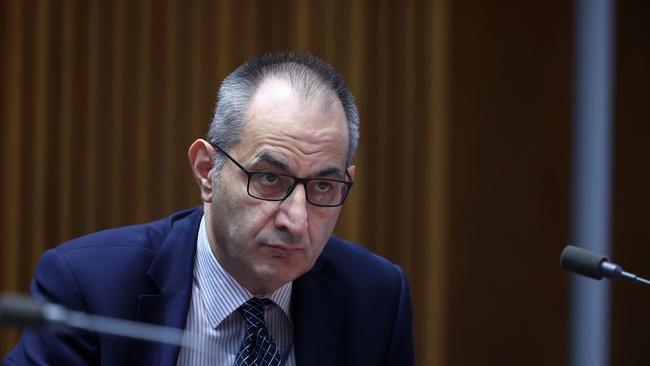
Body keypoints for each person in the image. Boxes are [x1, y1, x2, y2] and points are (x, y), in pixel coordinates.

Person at [3, 52, 414, 366]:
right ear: (206, 171)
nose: (296, 220)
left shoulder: (375, 298)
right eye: (270, 178)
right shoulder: (91, 290)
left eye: (323, 186)